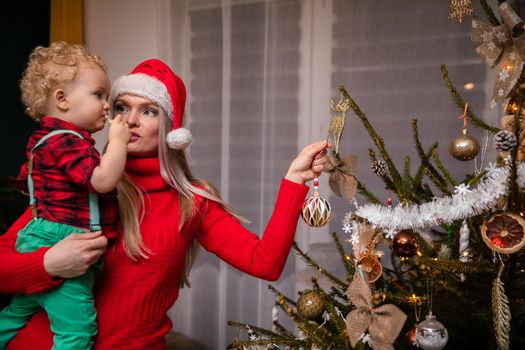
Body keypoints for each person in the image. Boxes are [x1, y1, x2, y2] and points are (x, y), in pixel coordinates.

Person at [0, 58, 330, 349]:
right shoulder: (72, 180)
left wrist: (294, 182)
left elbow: (265, 263)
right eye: (121, 107)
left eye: (148, 111)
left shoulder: (192, 203)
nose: (130, 121)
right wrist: (47, 264)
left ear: (171, 128)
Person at [0, 42, 130, 349]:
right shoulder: (67, 141)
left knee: (14, 314)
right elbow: (102, 181)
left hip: (38, 236)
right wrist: (118, 142)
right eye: (98, 94)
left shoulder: (44, 139)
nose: (106, 105)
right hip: (62, 243)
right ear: (62, 99)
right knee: (77, 333)